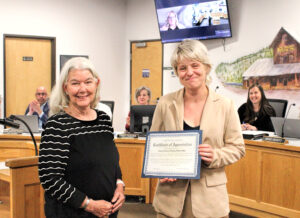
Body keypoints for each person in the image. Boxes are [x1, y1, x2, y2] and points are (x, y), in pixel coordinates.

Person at [150, 40, 245, 218]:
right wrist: (160, 169)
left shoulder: (225, 105)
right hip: (170, 198)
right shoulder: (165, 103)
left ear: (206, 67)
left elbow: (238, 148)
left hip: (210, 202)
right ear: (177, 72)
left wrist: (215, 156)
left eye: (195, 65)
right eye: (182, 68)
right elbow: (155, 146)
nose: (189, 72)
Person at [38, 57, 125, 218]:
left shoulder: (103, 119)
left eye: (88, 82)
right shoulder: (56, 124)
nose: (82, 89)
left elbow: (111, 161)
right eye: (75, 83)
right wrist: (89, 205)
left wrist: (120, 185)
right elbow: (50, 178)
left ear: (96, 84)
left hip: (107, 212)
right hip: (71, 213)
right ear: (65, 88)